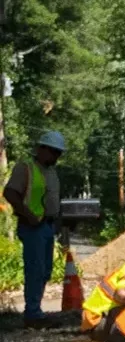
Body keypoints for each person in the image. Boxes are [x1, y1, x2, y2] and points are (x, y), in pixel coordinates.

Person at [7, 130, 66, 327]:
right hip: (33, 226)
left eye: (59, 153)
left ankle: (36, 310)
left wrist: (58, 222)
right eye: (53, 152)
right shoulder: (25, 168)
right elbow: (10, 193)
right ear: (41, 149)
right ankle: (32, 313)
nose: (56, 156)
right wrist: (28, 215)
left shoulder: (51, 171)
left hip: (47, 225)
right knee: (35, 269)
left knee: (46, 270)